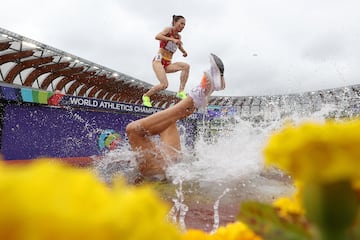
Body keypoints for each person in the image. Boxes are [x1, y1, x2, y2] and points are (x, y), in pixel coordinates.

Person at [127, 54, 225, 181]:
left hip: (169, 166)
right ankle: (198, 94)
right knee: (133, 130)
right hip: (157, 174)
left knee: (167, 123)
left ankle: (201, 93)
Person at [142, 15, 190, 107]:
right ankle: (146, 96)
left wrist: (184, 52)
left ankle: (181, 91)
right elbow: (157, 36)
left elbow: (179, 45)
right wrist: (172, 39)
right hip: (158, 61)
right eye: (181, 24)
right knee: (164, 85)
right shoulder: (168, 30)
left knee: (186, 66)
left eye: (184, 25)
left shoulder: (179, 37)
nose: (183, 26)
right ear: (175, 22)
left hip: (168, 63)